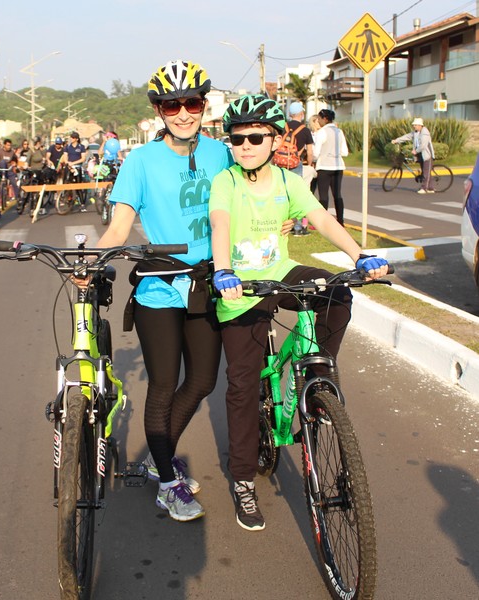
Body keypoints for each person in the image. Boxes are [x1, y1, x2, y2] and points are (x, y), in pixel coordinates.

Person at [208, 94, 389, 531]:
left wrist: (359, 254)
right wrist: (223, 270)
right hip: (241, 289)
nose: (246, 145)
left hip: (281, 272)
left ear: (274, 139)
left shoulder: (288, 181)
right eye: (237, 139)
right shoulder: (226, 182)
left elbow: (321, 218)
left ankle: (316, 376)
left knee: (337, 294)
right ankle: (244, 481)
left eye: (255, 137)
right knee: (242, 385)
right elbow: (220, 224)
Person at [92, 60, 233, 522]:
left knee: (203, 381)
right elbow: (119, 226)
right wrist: (92, 261)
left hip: (207, 282)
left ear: (203, 105)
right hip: (159, 285)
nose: (183, 112)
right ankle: (168, 484)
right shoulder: (140, 161)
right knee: (164, 384)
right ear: (159, 109)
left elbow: (240, 209)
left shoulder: (221, 154)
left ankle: (159, 456)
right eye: (172, 104)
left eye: (191, 102)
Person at [313, 108, 348, 225]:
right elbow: (345, 152)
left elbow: (315, 153)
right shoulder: (339, 132)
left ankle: (324, 222)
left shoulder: (322, 132)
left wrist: (314, 160)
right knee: (337, 194)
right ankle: (340, 221)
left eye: (319, 119)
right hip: (338, 166)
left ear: (325, 119)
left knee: (323, 195)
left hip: (324, 166)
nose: (318, 122)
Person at [286, 102, 314, 235]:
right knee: (297, 194)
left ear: (290, 114)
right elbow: (309, 151)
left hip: (281, 163)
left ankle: (285, 223)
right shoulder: (305, 130)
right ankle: (297, 226)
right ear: (301, 114)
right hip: (296, 163)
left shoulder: (283, 127)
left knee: (283, 194)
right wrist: (310, 163)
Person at [392, 117, 435, 194]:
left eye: (415, 125)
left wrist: (416, 151)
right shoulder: (416, 132)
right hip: (420, 154)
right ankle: (430, 188)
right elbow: (407, 136)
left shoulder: (425, 133)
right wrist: (397, 140)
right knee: (426, 171)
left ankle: (424, 188)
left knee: (426, 172)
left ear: (420, 125)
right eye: (413, 125)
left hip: (427, 155)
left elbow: (423, 145)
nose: (414, 126)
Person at [61, 131, 88, 211]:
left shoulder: (81, 147)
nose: (71, 139)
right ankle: (67, 199)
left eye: (72, 138)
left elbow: (83, 158)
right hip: (69, 167)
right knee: (66, 182)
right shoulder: (67, 147)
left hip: (77, 167)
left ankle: (82, 204)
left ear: (76, 139)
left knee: (78, 186)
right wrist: (68, 163)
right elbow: (65, 156)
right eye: (71, 137)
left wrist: (74, 163)